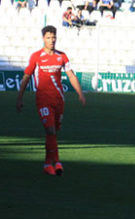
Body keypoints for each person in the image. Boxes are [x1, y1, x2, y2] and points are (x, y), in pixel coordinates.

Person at [15, 25, 86, 176]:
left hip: (59, 100)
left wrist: (80, 94)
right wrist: (20, 97)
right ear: (43, 39)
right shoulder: (36, 56)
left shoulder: (62, 56)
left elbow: (71, 75)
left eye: (53, 37)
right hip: (43, 100)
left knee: (53, 132)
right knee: (50, 130)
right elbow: (27, 76)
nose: (52, 40)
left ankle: (48, 164)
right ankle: (57, 162)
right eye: (48, 37)